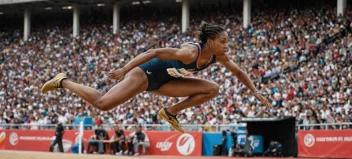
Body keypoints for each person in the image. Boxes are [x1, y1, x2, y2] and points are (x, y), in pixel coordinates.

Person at [41, 23, 271, 132]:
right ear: (210, 42)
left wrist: (255, 91)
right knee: (103, 104)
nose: (226, 47)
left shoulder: (218, 57)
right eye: (223, 42)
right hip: (146, 73)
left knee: (213, 89)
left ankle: (169, 113)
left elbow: (240, 73)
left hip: (167, 82)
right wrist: (124, 69)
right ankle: (63, 81)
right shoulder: (189, 52)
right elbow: (153, 52)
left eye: (227, 43)